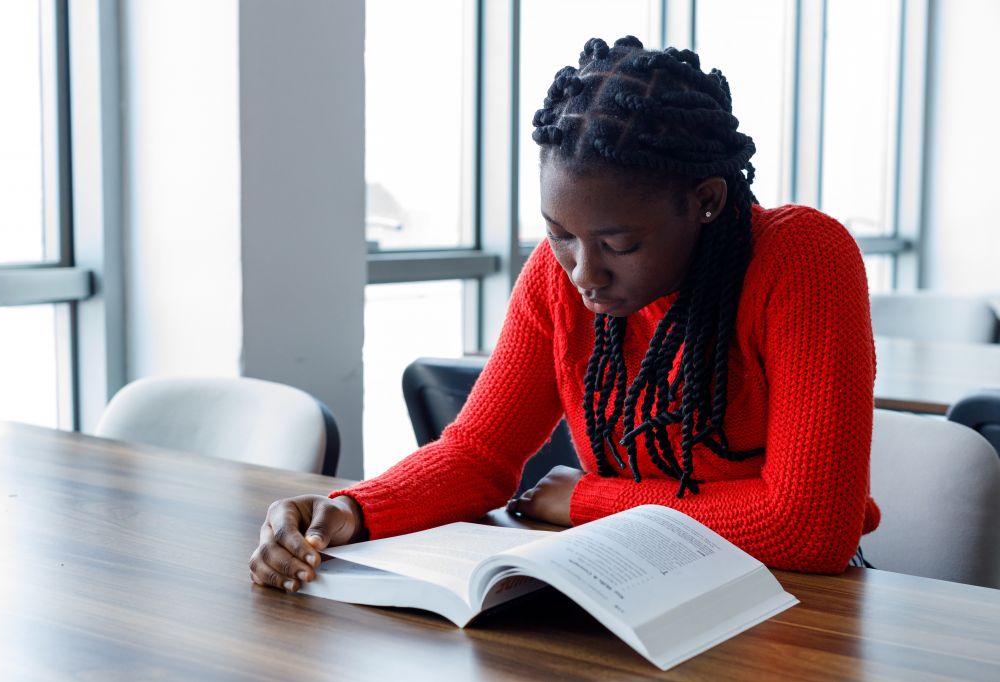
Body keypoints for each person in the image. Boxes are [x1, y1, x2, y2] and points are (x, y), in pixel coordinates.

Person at [249, 36, 879, 594]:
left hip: (794, 603)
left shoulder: (802, 257)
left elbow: (808, 528)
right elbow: (479, 453)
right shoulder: (558, 278)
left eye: (620, 244)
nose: (582, 273)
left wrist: (585, 499)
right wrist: (352, 509)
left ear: (706, 200)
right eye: (560, 235)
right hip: (635, 584)